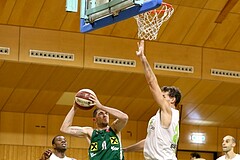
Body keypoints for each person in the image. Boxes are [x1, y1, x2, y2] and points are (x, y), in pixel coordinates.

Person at [123, 40, 182, 160]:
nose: (161, 98)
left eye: (163, 96)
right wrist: (125, 150)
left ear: (172, 100)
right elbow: (148, 141)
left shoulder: (168, 111)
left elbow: (151, 82)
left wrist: (143, 59)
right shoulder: (159, 117)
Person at [60, 93, 128, 160]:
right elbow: (64, 129)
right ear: (94, 119)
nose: (105, 115)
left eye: (106, 113)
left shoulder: (114, 128)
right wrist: (74, 108)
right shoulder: (90, 132)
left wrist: (101, 107)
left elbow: (124, 117)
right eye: (101, 113)